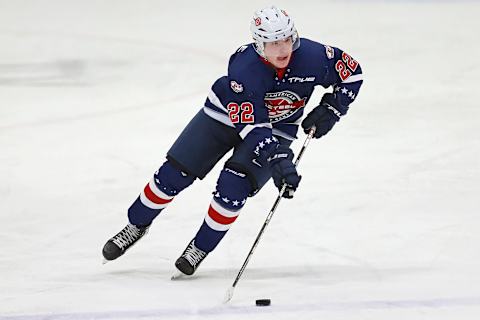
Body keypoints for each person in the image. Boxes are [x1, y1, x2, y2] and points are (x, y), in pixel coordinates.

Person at [102, 5, 363, 276]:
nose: (283, 49)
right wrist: (276, 156)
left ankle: (200, 247)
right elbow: (252, 125)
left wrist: (333, 108)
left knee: (234, 186)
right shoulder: (244, 68)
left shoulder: (314, 56)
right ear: (259, 44)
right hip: (224, 117)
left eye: (287, 39)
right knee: (174, 174)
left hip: (280, 126)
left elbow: (353, 74)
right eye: (274, 42)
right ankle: (136, 224)